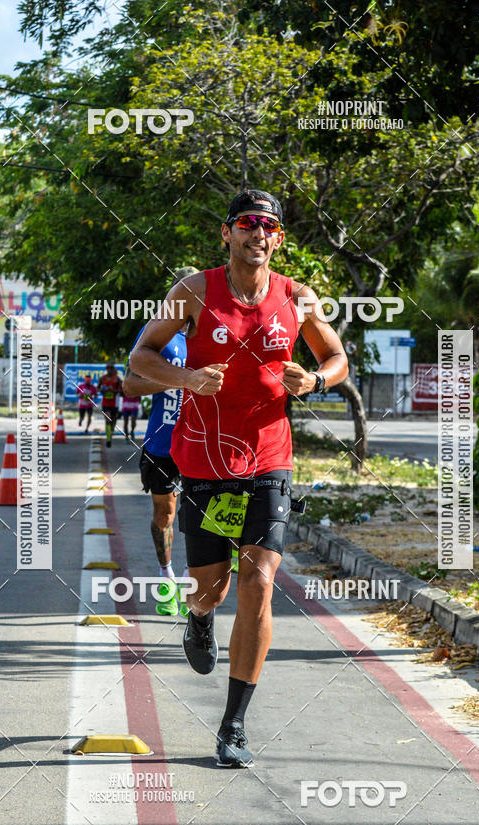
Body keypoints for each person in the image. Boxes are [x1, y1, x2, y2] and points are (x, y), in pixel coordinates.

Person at [129, 189, 349, 767]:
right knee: (213, 588)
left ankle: (233, 726)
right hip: (205, 460)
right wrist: (186, 378)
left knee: (258, 582)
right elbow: (139, 361)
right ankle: (198, 618)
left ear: (278, 238)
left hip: (270, 459)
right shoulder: (194, 292)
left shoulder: (297, 297)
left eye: (269, 225)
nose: (259, 232)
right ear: (227, 233)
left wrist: (316, 381)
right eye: (248, 223)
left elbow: (337, 359)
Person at [123, 266, 197, 617]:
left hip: (202, 444)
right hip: (162, 445)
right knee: (164, 515)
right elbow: (130, 385)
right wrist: (176, 380)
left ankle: (191, 578)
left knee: (202, 518)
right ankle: (166, 576)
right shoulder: (159, 334)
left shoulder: (213, 334)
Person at [97, 363, 122, 447]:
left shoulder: (117, 379)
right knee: (108, 419)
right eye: (108, 368)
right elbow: (98, 388)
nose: (109, 369)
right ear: (106, 369)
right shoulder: (102, 378)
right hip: (105, 403)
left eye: (111, 368)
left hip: (114, 403)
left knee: (113, 421)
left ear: (113, 369)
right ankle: (108, 439)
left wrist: (113, 390)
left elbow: (121, 390)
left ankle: (111, 432)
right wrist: (103, 390)